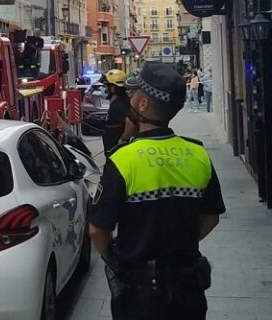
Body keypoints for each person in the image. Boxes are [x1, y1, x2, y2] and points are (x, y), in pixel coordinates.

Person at [88, 62, 225, 320]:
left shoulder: (123, 160)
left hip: (139, 295)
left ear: (143, 105)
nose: (130, 95)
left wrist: (115, 259)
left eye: (135, 91)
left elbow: (97, 230)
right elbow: (211, 217)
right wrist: (182, 240)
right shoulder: (198, 155)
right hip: (188, 290)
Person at [102, 69, 129, 157]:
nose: (105, 89)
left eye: (106, 86)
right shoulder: (117, 103)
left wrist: (123, 140)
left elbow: (130, 123)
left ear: (113, 88)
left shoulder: (120, 105)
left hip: (117, 153)